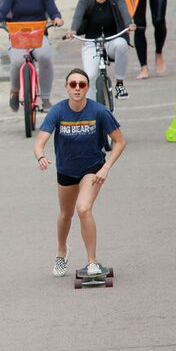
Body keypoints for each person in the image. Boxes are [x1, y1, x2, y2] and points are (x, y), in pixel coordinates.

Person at [33, 69, 126, 278]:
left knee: (83, 209)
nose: (77, 88)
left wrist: (106, 167)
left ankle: (92, 262)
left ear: (87, 88)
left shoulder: (99, 111)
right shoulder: (58, 111)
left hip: (92, 168)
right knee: (66, 215)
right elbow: (39, 142)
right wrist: (41, 157)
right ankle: (62, 252)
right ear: (66, 87)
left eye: (81, 85)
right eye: (73, 84)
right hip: (66, 170)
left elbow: (120, 141)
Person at [0, 0, 64, 111]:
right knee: (17, 62)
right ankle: (15, 91)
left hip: (38, 35)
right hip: (19, 36)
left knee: (44, 56)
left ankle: (45, 98)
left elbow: (53, 11)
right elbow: (3, 10)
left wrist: (57, 18)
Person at [66, 0, 137, 100]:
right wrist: (72, 30)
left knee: (121, 44)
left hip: (112, 40)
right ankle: (93, 110)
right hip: (91, 42)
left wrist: (129, 24)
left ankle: (120, 84)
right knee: (91, 76)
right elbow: (77, 16)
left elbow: (124, 10)